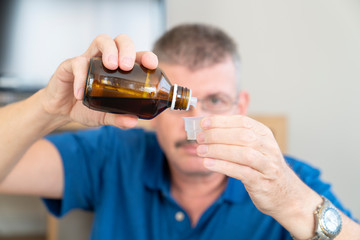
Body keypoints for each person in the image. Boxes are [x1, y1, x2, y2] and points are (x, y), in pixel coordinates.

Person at [0, 23, 359, 240]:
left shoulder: (287, 180)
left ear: (242, 105)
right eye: (180, 104)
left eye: (216, 100)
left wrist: (291, 200)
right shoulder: (114, 154)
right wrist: (48, 109)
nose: (198, 122)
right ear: (151, 104)